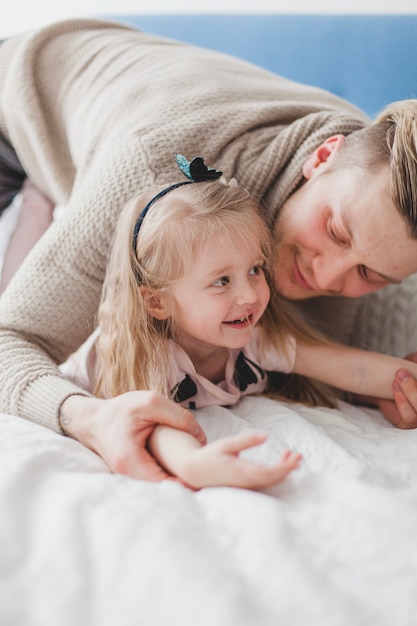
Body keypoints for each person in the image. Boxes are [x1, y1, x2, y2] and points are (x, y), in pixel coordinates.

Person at [1, 18, 417, 482]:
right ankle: (41, 195)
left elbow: (324, 361)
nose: (326, 278)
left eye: (371, 276)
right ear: (321, 158)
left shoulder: (375, 183)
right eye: (336, 232)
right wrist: (88, 418)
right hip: (17, 92)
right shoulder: (158, 185)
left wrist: (391, 385)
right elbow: (8, 340)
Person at [62, 155, 417, 489]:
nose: (249, 295)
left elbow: (348, 367)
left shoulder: (256, 341)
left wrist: (406, 382)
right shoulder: (153, 355)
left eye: (255, 269)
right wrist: (194, 464)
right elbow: (155, 426)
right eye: (221, 281)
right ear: (158, 302)